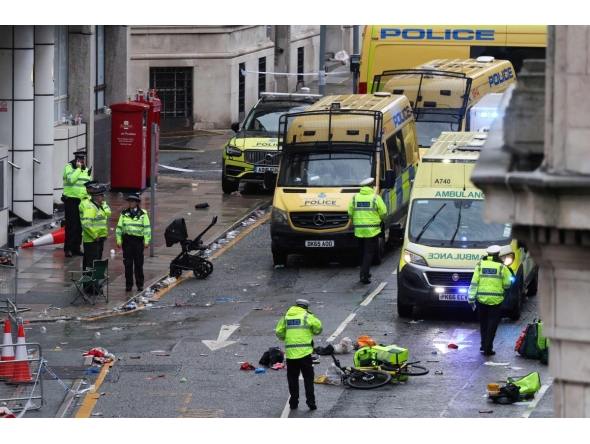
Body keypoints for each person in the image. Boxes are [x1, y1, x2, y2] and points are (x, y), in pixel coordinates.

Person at [275, 299, 323, 411]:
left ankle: (293, 403)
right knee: (308, 378)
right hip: (305, 354)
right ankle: (311, 402)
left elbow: (279, 332)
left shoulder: (286, 318)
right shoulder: (307, 316)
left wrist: (285, 338)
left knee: (292, 379)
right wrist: (312, 332)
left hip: (291, 354)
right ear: (305, 307)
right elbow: (319, 328)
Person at [468, 245, 512, 356]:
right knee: (492, 323)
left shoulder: (480, 265)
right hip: (495, 300)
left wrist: (471, 298)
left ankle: (483, 345)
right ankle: (488, 348)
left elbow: (474, 283)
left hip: (482, 299)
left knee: (483, 323)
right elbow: (507, 284)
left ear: (488, 254)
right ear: (498, 254)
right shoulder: (502, 267)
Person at [348, 177, 387, 284]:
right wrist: (382, 220)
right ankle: (364, 275)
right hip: (372, 230)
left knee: (362, 252)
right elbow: (383, 212)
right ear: (371, 186)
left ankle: (364, 272)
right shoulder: (375, 198)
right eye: (373, 185)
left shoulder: (355, 198)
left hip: (359, 230)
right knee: (369, 253)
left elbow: (350, 213)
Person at [116, 194, 152, 292]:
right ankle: (129, 285)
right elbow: (119, 227)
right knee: (127, 264)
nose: (130, 203)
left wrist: (147, 241)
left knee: (139, 263)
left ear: (137, 203)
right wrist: (119, 240)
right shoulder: (124, 214)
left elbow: (147, 228)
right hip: (127, 241)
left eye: (132, 201)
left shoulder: (143, 214)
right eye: (129, 201)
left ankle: (140, 284)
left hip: (138, 242)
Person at [62, 150, 92, 257]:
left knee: (80, 226)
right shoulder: (69, 168)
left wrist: (89, 200)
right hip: (71, 200)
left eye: (83, 159)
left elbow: (88, 188)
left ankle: (76, 248)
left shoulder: (87, 170)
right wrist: (78, 169)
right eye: (80, 159)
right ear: (76, 160)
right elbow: (71, 180)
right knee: (71, 226)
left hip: (82, 202)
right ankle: (68, 248)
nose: (82, 161)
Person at [80, 185, 111, 287]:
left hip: (98, 240)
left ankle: (94, 283)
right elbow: (86, 224)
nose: (103, 199)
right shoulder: (90, 208)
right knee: (92, 264)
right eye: (102, 197)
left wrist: (104, 235)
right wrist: (95, 235)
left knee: (96, 263)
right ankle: (90, 286)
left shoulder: (99, 207)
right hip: (92, 241)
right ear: (98, 198)